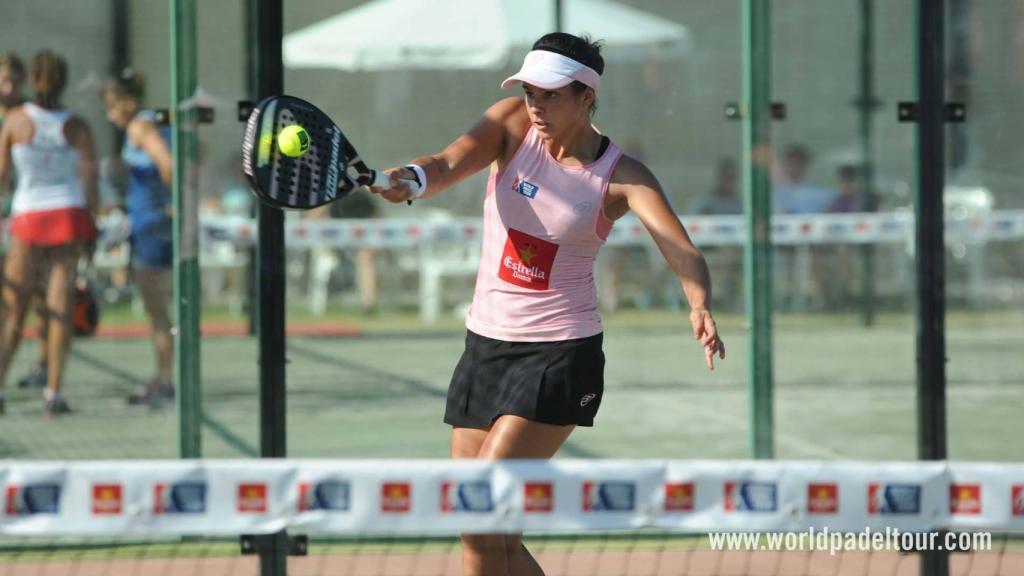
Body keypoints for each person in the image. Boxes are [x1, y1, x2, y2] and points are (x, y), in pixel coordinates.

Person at [368, 33, 725, 576]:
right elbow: (445, 163)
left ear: (587, 97)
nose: (536, 103)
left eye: (552, 94)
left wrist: (697, 301)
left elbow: (681, 249)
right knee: (488, 533)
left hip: (560, 354)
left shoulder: (622, 177)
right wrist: (410, 178)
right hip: (484, 345)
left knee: (483, 509)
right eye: (531, 90)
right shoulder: (511, 122)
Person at [0, 50, 98, 416]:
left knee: (13, 308)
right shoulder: (77, 126)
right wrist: (94, 224)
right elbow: (89, 180)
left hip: (29, 216)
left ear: (33, 80)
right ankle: (53, 392)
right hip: (67, 215)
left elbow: (2, 175)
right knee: (59, 307)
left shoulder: (15, 120)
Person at [100, 68, 174, 406]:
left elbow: (167, 163)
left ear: (128, 103)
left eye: (113, 107)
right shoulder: (154, 121)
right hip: (150, 220)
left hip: (151, 224)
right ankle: (164, 376)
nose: (110, 115)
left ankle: (166, 380)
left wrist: (169, 202)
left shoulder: (140, 126)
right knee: (158, 308)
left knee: (157, 310)